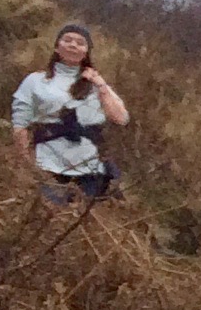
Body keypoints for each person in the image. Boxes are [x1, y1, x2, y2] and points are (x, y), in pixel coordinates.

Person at [11, 24, 129, 204]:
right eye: (67, 40)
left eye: (80, 42)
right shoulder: (36, 81)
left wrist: (101, 86)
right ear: (57, 47)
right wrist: (27, 162)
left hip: (90, 169)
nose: (73, 45)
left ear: (87, 51)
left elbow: (121, 118)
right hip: (47, 164)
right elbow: (20, 124)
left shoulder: (96, 85)